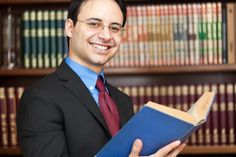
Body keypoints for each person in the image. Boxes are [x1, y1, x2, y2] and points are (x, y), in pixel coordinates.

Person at [17, 0, 185, 156]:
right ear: (70, 27)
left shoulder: (122, 101)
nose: (106, 36)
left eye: (114, 28)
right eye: (94, 24)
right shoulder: (40, 98)